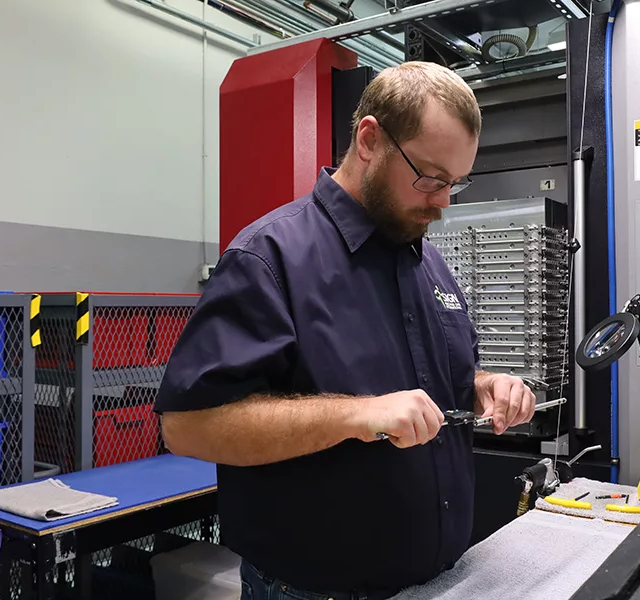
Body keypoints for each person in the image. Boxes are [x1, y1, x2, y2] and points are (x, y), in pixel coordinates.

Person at [153, 61, 537, 600]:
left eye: (455, 183)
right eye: (430, 177)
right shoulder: (271, 258)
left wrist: (482, 387)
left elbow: (438, 379)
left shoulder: (427, 262)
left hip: (440, 580)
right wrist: (356, 414)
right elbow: (189, 426)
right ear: (369, 139)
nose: (443, 201)